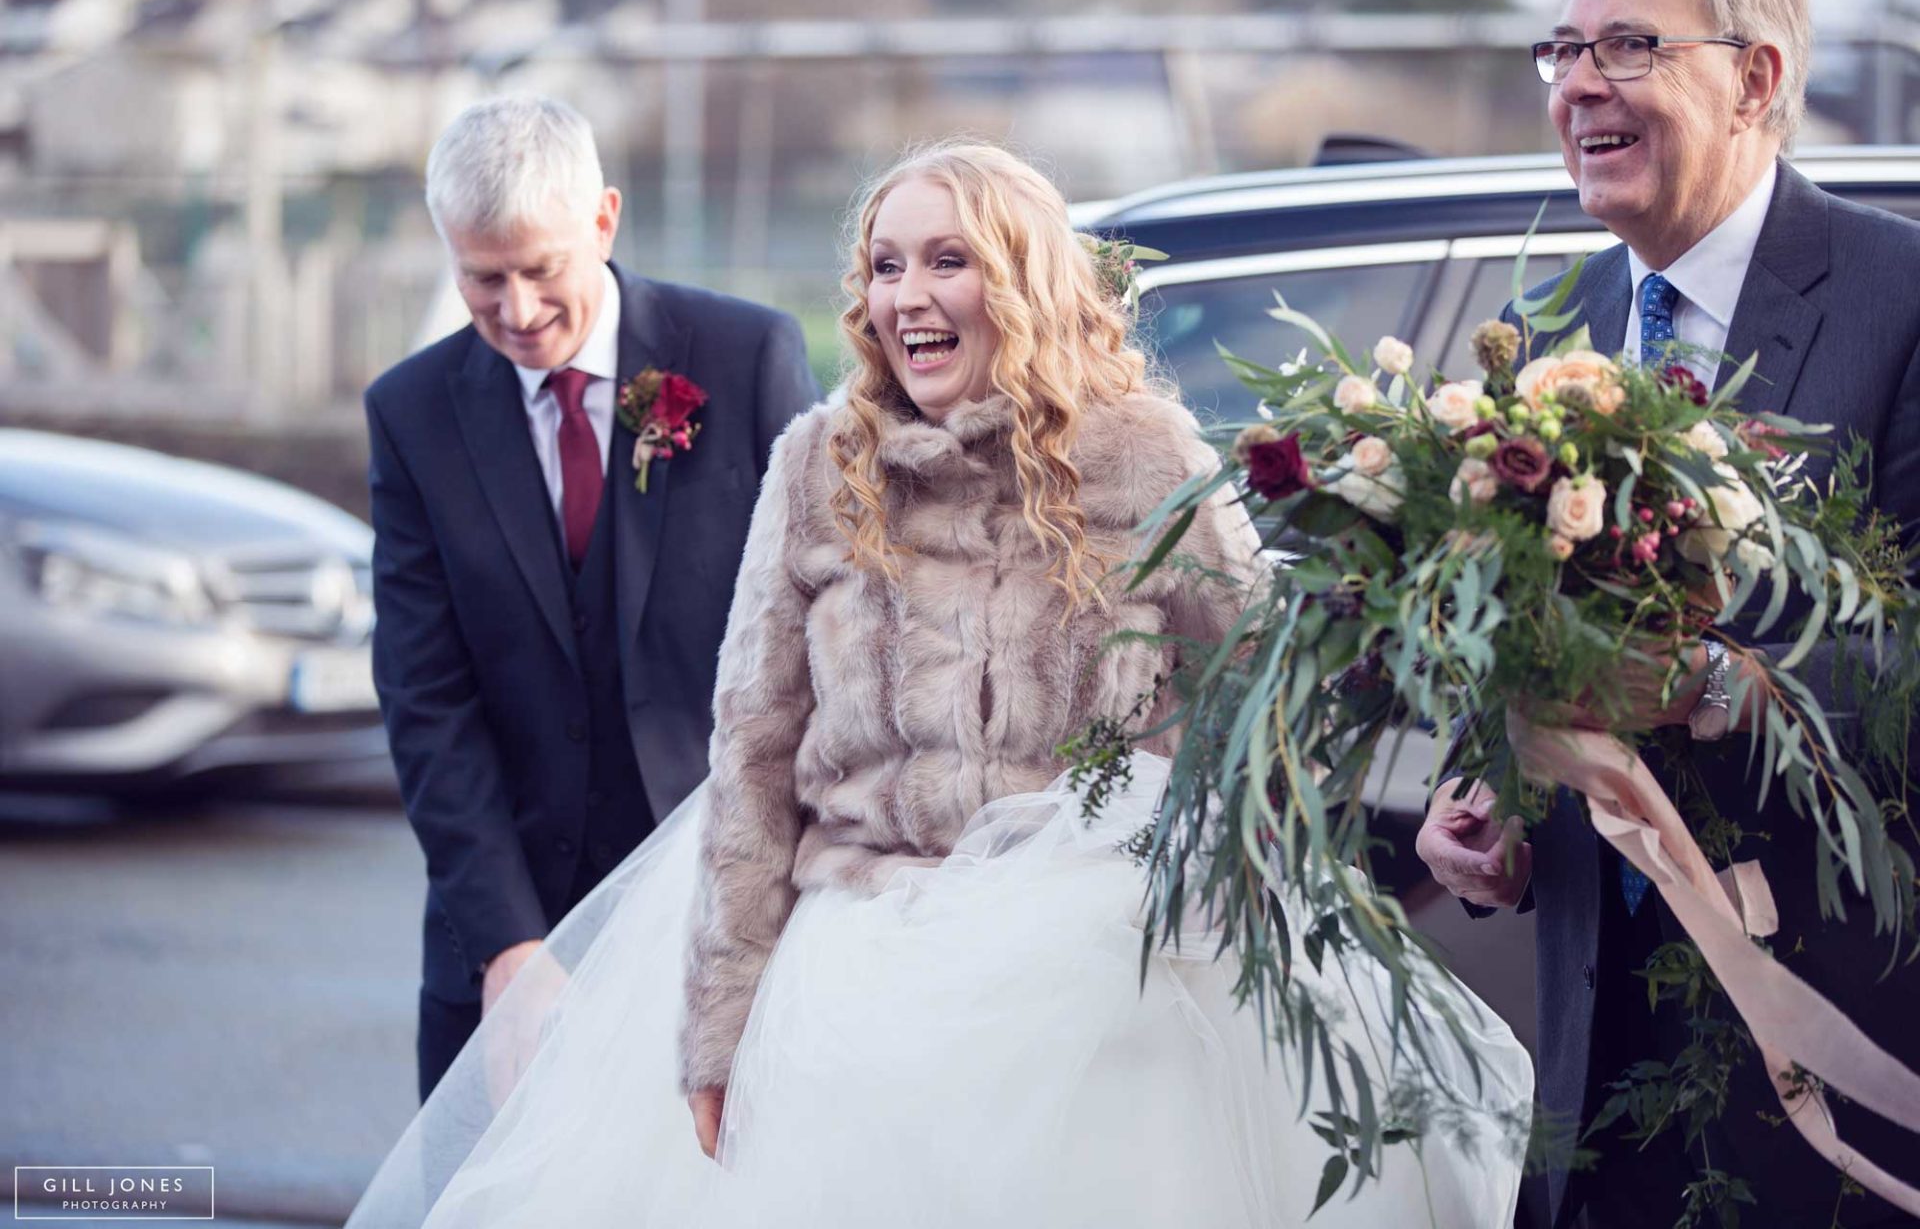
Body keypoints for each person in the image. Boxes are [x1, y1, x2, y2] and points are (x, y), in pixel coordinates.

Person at [345, 141, 1529, 1228]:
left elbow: (1268, 694)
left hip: (1102, 997)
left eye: (947, 259)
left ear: (1017, 277)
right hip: (859, 989)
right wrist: (716, 1032)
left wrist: (1216, 880)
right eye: (885, 265)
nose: (907, 294)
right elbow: (753, 757)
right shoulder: (820, 464)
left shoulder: (1146, 454)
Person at [1415, 0, 1920, 1226]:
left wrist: (1710, 686)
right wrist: (1494, 808)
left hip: (1843, 1046)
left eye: (1629, 46)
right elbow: (1526, 653)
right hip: (1601, 1075)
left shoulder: (1898, 301)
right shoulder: (1537, 339)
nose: (1580, 85)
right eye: (1564, 51)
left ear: (1756, 77)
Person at [365, 94, 821, 1102]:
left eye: (542, 270)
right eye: (483, 277)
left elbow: (823, 633)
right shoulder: (411, 415)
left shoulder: (745, 360)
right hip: (507, 930)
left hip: (721, 915)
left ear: (605, 220)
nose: (518, 311)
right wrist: (509, 943)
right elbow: (424, 698)